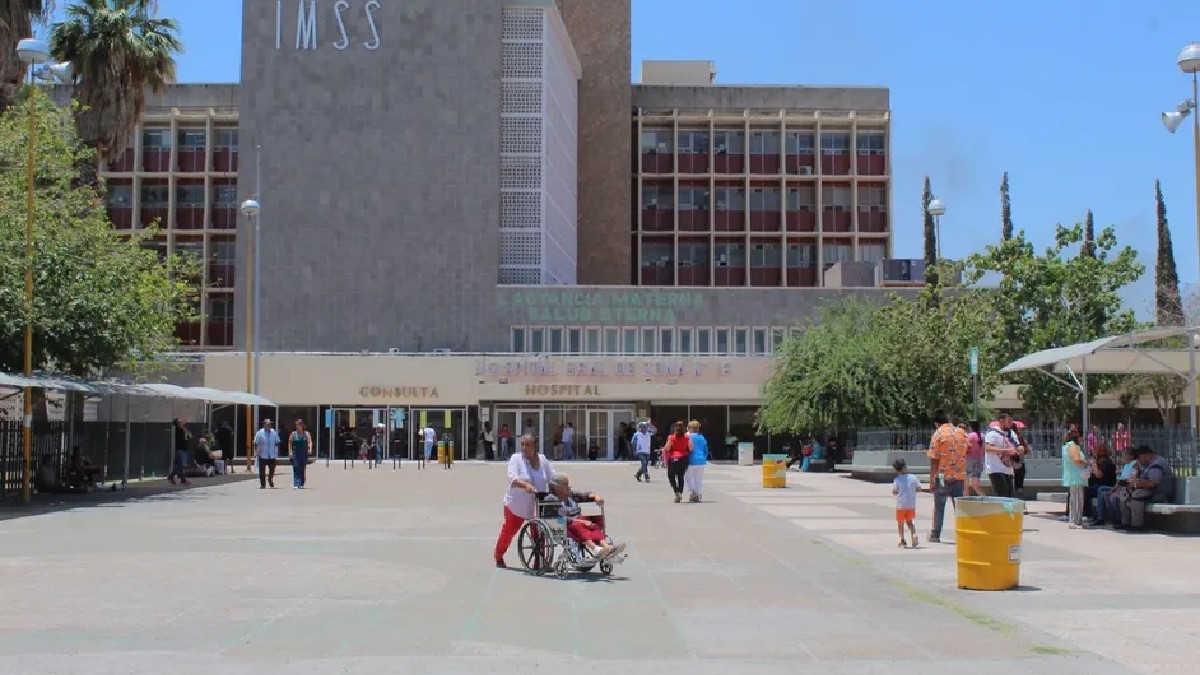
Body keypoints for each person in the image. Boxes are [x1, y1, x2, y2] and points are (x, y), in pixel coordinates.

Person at [494, 434, 554, 568]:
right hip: (517, 504)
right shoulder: (516, 459)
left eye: (528, 445)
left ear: (535, 446)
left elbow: (552, 477)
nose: (524, 448)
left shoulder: (543, 459)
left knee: (539, 533)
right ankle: (499, 555)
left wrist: (563, 487)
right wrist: (526, 486)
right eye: (522, 444)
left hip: (537, 503)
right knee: (508, 532)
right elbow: (513, 478)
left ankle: (540, 560)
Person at [546, 474, 625, 561]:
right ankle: (596, 549)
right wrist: (578, 521)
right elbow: (554, 517)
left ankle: (607, 547)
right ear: (557, 487)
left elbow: (584, 495)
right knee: (578, 527)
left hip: (579, 520)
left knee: (593, 525)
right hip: (564, 524)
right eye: (565, 484)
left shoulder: (570, 495)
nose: (568, 486)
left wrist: (596, 496)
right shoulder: (551, 499)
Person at [926, 409, 967, 544]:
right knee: (959, 508)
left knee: (939, 506)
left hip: (943, 477)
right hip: (959, 476)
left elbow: (934, 459)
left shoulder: (938, 434)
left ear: (936, 422)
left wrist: (932, 480)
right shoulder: (961, 432)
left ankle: (935, 535)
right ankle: (963, 535)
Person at [1117, 445, 1176, 531]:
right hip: (1151, 492)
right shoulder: (1148, 465)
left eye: (1138, 457)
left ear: (1146, 455)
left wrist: (1137, 484)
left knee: (1137, 495)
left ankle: (1137, 525)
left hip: (1160, 494)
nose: (1137, 459)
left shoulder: (1156, 465)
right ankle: (1126, 523)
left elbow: (1153, 483)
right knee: (1124, 494)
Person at [983, 413, 1019, 497]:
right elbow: (988, 448)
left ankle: (1008, 510)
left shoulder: (1011, 433)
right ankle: (1002, 510)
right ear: (1001, 421)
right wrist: (1004, 451)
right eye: (1009, 421)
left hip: (1008, 469)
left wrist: (1019, 449)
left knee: (1009, 496)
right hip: (995, 469)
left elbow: (1017, 446)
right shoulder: (992, 433)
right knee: (1002, 495)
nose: (1011, 423)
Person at [1061, 424, 1089, 529]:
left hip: (1075, 477)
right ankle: (1075, 521)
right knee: (1077, 500)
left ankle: (1076, 520)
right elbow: (1076, 460)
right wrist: (1086, 462)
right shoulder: (1072, 445)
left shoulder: (1068, 445)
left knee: (1076, 499)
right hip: (1075, 477)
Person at [892, 459, 920, 549]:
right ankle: (914, 534)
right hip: (911, 505)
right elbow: (919, 488)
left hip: (901, 505)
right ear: (905, 467)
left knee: (900, 523)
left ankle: (901, 539)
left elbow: (895, 491)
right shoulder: (913, 477)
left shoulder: (897, 480)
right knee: (910, 522)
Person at [1088, 443, 1118, 525]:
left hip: (1106, 485)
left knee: (1096, 490)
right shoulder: (1100, 462)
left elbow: (1099, 475)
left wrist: (1094, 465)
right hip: (1097, 486)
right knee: (1083, 489)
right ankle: (1089, 513)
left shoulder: (1106, 462)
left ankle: (1098, 517)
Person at [663, 421, 690, 503]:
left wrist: (668, 444)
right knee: (680, 476)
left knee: (671, 476)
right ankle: (680, 493)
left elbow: (667, 448)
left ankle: (676, 491)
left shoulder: (671, 437)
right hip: (684, 459)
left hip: (674, 459)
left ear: (675, 428)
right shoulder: (687, 437)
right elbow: (691, 448)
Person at [684, 420, 708, 502]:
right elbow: (705, 449)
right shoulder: (702, 437)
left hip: (691, 460)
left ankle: (693, 493)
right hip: (701, 460)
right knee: (698, 479)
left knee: (688, 477)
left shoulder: (687, 437)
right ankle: (696, 494)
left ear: (689, 428)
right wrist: (704, 457)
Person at [254, 419, 280, 489]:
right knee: (262, 471)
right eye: (267, 424)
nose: (268, 425)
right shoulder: (260, 433)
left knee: (272, 469)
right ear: (264, 425)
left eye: (270, 424)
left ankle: (270, 479)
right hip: (262, 454)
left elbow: (277, 441)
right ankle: (263, 484)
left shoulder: (273, 432)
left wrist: (276, 451)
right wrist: (256, 452)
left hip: (272, 454)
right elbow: (256, 443)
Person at [289, 419, 313, 489]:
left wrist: (310, 448)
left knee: (302, 468)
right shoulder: (293, 434)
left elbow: (310, 441)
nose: (298, 426)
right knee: (296, 467)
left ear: (302, 425)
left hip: (303, 453)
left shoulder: (306, 433)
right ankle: (296, 483)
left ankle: (301, 483)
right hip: (296, 453)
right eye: (297, 425)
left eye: (300, 425)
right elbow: (290, 443)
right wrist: (290, 452)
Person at [964, 421, 985, 497]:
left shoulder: (969, 436)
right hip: (979, 462)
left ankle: (965, 502)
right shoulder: (982, 436)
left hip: (969, 462)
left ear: (970, 427)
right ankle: (984, 498)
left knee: (965, 485)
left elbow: (965, 448)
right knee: (976, 486)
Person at [169, 418, 191, 486]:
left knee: (179, 465)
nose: (182, 424)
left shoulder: (183, 430)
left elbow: (189, 436)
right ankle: (174, 477)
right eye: (180, 423)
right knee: (180, 465)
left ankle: (177, 478)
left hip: (182, 449)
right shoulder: (178, 430)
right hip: (180, 449)